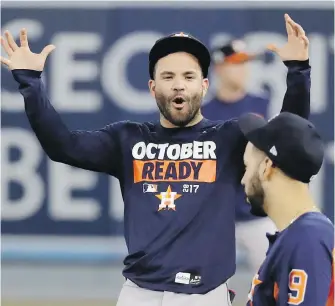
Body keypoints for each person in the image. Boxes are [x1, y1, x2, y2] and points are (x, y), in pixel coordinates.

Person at [1, 14, 311, 306]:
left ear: (203, 86)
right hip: (140, 294)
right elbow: (63, 146)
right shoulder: (127, 139)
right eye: (168, 76)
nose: (178, 83)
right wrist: (31, 84)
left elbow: (288, 136)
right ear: (153, 88)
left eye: (189, 76)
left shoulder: (227, 137)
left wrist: (298, 72)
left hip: (205, 295)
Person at [238, 112, 334, 306]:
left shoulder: (308, 239)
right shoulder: (299, 234)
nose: (243, 179)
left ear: (266, 167)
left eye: (247, 167)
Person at [202, 39, 276, 272]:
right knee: (201, 286)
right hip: (215, 217)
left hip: (258, 214)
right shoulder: (203, 113)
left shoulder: (263, 105)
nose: (242, 69)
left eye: (245, 63)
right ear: (219, 68)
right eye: (236, 63)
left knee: (273, 284)